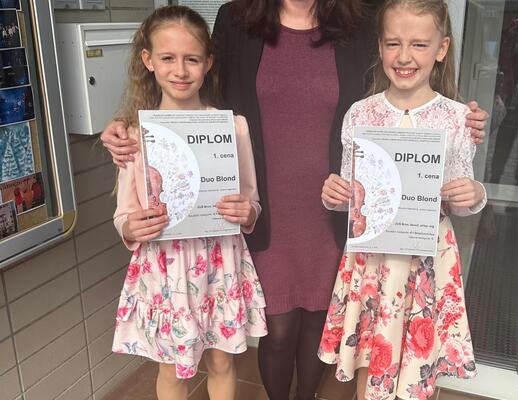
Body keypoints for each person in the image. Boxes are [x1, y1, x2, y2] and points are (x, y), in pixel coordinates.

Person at [100, 1, 488, 399]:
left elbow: (405, 84)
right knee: (279, 327)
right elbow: (196, 88)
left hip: (336, 204)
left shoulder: (361, 19)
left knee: (319, 323)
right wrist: (131, 124)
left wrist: (462, 120)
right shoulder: (237, 18)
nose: (403, 51)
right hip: (263, 203)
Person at [318, 1, 486, 399]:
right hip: (373, 258)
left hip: (426, 259)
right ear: (380, 47)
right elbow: (352, 194)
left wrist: (476, 193)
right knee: (369, 356)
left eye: (419, 44)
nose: (404, 56)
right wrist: (334, 195)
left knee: (418, 366)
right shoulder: (360, 114)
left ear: (441, 49)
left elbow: (460, 200)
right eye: (393, 43)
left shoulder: (456, 118)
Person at [110, 6, 267, 400]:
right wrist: (131, 226)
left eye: (192, 59)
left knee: (222, 360)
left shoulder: (233, 127)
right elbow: (124, 214)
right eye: (167, 58)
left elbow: (251, 199)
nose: (180, 70)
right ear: (148, 60)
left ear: (208, 63)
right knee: (172, 367)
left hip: (220, 263)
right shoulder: (136, 134)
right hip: (165, 267)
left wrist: (247, 212)